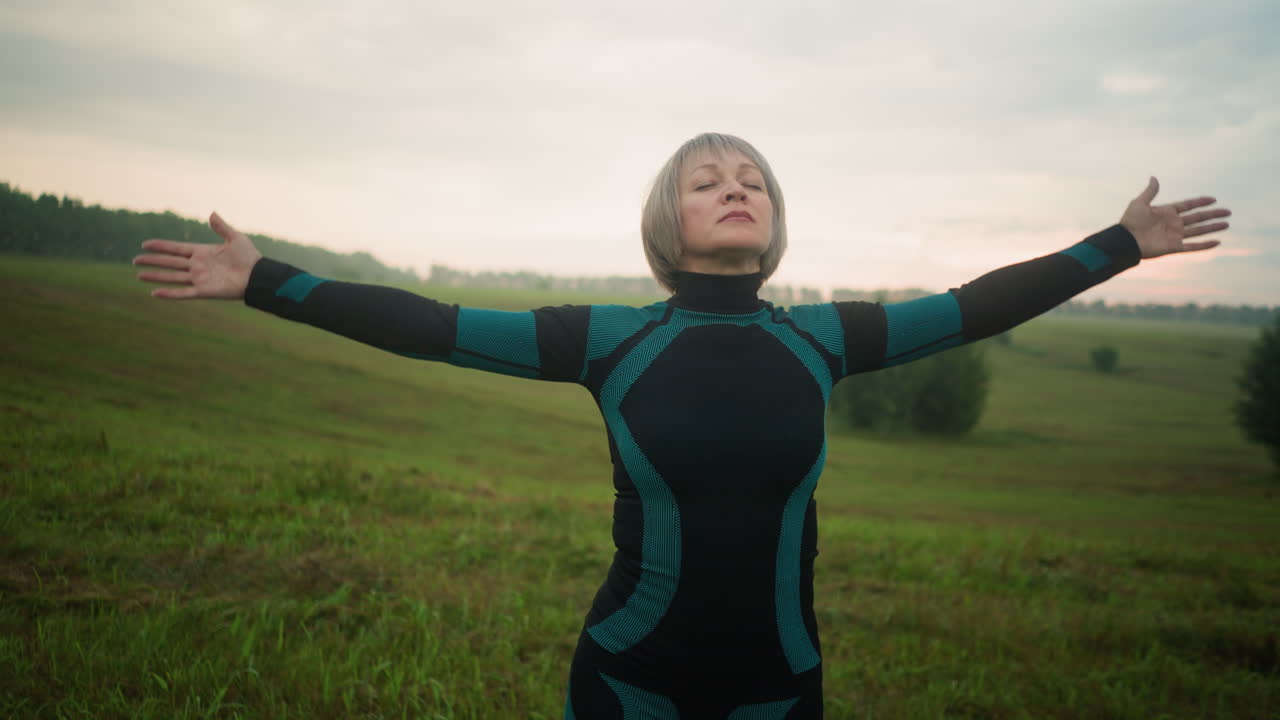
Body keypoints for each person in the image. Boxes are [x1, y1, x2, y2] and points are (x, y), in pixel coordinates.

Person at [134, 132, 1230, 718]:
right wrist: (263, 278)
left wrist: (1118, 244)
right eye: (708, 180)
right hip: (629, 680)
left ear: (774, 217)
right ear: (670, 218)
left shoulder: (824, 340)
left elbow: (977, 305)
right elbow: (431, 325)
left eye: (752, 179)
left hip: (781, 684)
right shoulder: (609, 340)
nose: (735, 187)